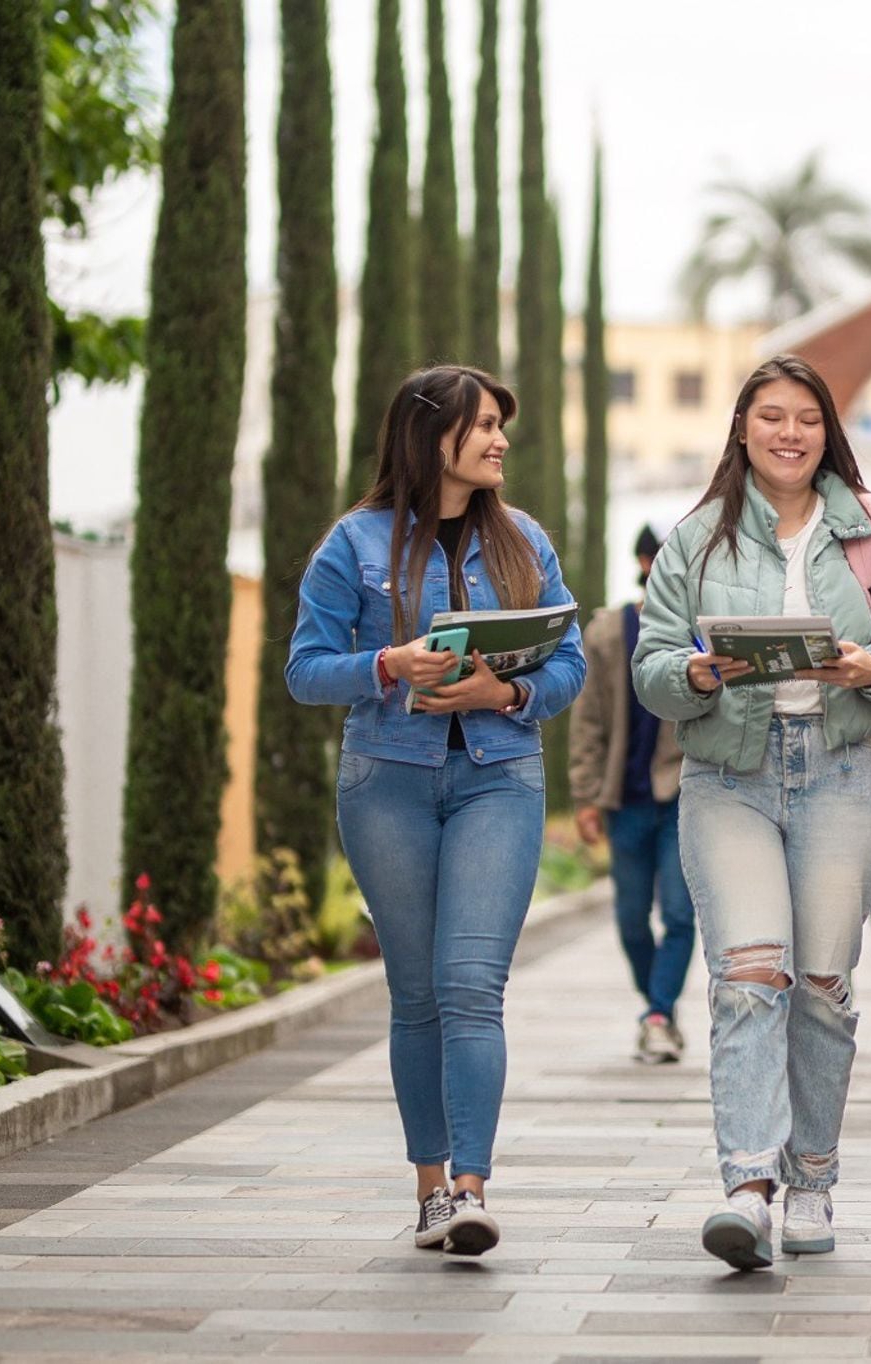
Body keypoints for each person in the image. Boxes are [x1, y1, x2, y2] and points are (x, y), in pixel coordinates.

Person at [631, 354, 871, 1271]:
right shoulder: (696, 538)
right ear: (742, 429)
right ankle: (748, 1190)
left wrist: (869, 667)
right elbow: (652, 667)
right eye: (770, 416)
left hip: (844, 776)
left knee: (821, 986)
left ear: (828, 430)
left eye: (806, 417)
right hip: (729, 777)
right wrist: (691, 672)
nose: (788, 433)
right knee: (747, 976)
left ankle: (812, 1178)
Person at [286, 365, 587, 1258]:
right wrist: (387, 666)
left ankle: (470, 1187)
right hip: (389, 785)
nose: (500, 441)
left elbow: (566, 668)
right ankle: (428, 1190)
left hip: (501, 780)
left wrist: (506, 691)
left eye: (502, 424)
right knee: (415, 995)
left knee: (470, 986)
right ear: (432, 435)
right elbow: (306, 669)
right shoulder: (354, 542)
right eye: (485, 424)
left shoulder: (524, 542)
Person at [570, 523, 692, 1065]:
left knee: (683, 916)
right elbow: (589, 720)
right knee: (629, 919)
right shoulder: (605, 633)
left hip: (686, 797)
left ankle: (660, 1014)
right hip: (626, 799)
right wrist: (586, 795)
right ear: (643, 565)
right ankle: (657, 1005)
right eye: (653, 561)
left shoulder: (703, 631)